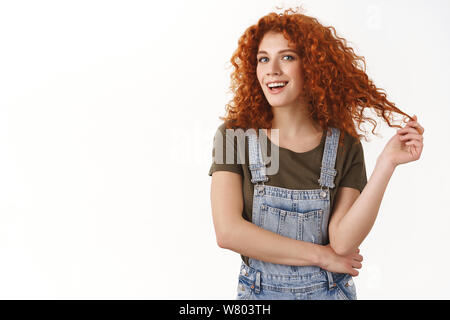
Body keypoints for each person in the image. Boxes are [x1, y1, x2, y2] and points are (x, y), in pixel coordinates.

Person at [208, 8, 424, 300]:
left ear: (311, 66)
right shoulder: (233, 136)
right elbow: (228, 232)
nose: (272, 69)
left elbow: (343, 241)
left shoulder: (345, 146)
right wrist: (321, 257)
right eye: (263, 59)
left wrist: (387, 164)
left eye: (287, 57)